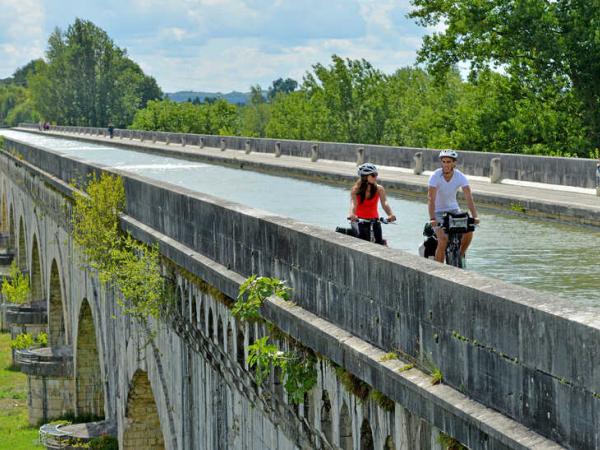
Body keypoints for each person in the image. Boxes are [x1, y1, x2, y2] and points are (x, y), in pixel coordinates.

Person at [427, 150, 480, 263]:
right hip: (438, 212)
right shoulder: (435, 176)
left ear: (454, 163)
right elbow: (431, 199)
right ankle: (438, 268)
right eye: (444, 161)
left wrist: (475, 216)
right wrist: (432, 218)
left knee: (469, 230)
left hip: (454, 210)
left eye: (449, 162)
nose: (446, 164)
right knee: (443, 239)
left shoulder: (460, 176)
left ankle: (459, 256)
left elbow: (469, 197)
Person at [348, 163, 396, 245]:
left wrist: (390, 214)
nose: (376, 177)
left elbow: (385, 203)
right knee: (363, 241)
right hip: (358, 220)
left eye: (376, 174)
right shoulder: (356, 190)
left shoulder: (379, 189)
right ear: (365, 176)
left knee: (379, 243)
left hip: (375, 220)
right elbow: (353, 204)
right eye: (373, 175)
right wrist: (352, 214)